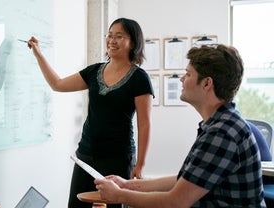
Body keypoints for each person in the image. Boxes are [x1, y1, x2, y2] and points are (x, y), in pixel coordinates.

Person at [94, 44, 264, 207]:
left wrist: (119, 195)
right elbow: (186, 180)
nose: (182, 79)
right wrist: (127, 185)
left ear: (206, 83)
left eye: (188, 74)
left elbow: (175, 203)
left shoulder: (222, 133)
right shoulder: (219, 123)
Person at [26, 17, 153, 208]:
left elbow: (145, 124)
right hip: (85, 156)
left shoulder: (140, 78)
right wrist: (38, 54)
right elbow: (57, 84)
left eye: (119, 36)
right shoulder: (94, 71)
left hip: (118, 158)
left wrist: (140, 164)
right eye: (110, 35)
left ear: (133, 43)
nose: (112, 40)